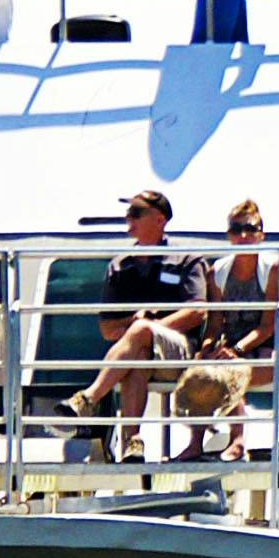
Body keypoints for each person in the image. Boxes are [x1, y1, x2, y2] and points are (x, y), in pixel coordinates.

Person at [61, 186, 207, 453]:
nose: (129, 219)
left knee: (140, 336)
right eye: (128, 214)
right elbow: (107, 329)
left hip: (179, 352)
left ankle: (90, 397)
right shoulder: (120, 265)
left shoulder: (187, 258)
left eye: (136, 213)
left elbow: (197, 312)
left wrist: (149, 328)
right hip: (139, 353)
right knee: (137, 357)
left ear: (160, 219)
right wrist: (137, 328)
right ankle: (132, 443)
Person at [179, 197, 279, 450]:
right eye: (236, 230)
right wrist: (206, 348)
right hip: (233, 347)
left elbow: (269, 325)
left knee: (231, 370)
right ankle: (196, 442)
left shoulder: (273, 267)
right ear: (229, 236)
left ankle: (237, 439)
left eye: (250, 229)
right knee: (202, 370)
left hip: (271, 347)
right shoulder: (217, 272)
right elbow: (216, 322)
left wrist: (237, 351)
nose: (243, 236)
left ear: (261, 235)